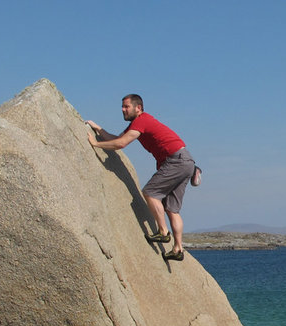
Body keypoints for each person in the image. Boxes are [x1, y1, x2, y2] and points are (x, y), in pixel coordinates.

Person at [86, 94, 201, 262]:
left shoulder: (142, 120)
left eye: (126, 106)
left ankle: (163, 232)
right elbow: (117, 139)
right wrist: (97, 128)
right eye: (123, 107)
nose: (123, 110)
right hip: (185, 161)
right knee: (172, 209)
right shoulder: (139, 123)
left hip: (176, 160)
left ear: (138, 108)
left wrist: (95, 144)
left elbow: (120, 144)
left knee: (150, 193)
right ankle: (178, 249)